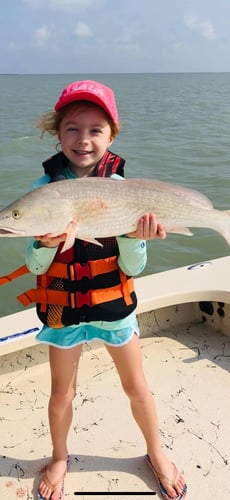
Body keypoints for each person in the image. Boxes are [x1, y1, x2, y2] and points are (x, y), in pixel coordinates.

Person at [25, 80, 187, 500]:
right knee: (61, 392)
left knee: (137, 387)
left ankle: (156, 451)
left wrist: (135, 237)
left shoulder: (124, 189)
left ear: (111, 135)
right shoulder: (46, 189)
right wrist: (42, 242)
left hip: (114, 307)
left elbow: (132, 267)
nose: (83, 139)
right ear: (57, 133)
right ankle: (60, 455)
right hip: (63, 310)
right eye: (72, 128)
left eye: (95, 129)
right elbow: (35, 265)